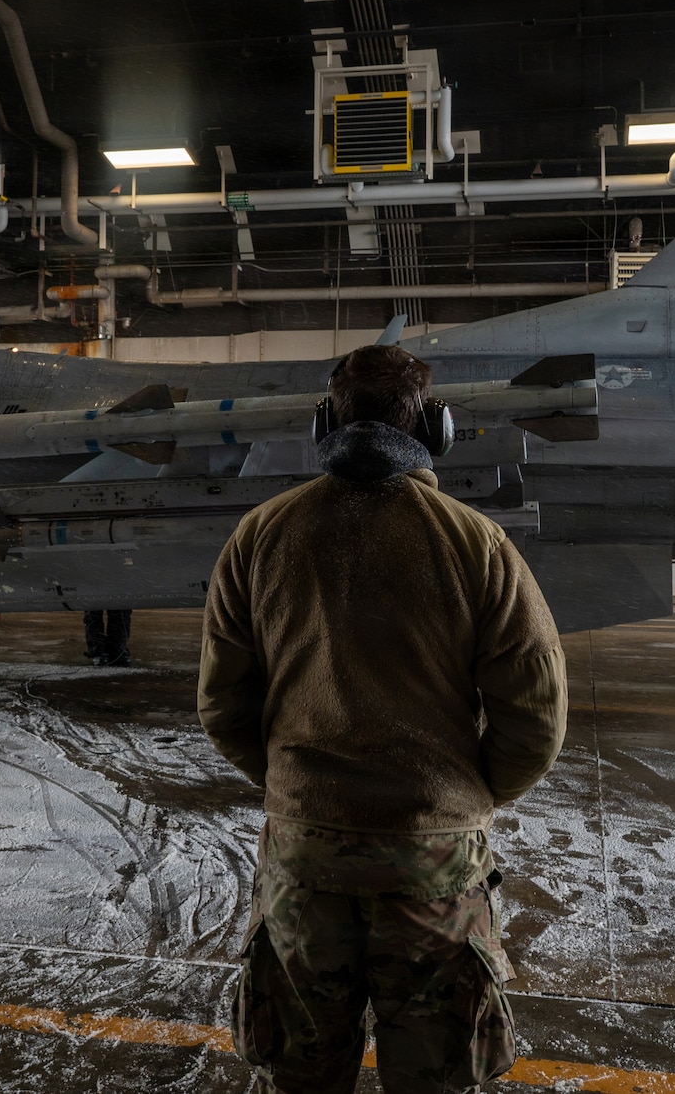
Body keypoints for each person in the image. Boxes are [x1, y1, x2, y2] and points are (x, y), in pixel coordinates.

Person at [199, 344, 568, 1093]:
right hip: (432, 869)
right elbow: (535, 717)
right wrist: (460, 796)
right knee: (434, 1077)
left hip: (305, 865)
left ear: (323, 422)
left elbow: (221, 704)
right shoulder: (479, 545)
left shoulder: (261, 535)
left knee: (300, 1075)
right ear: (436, 428)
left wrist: (294, 788)